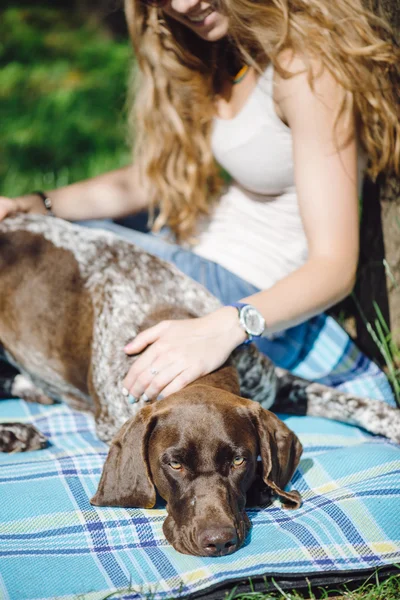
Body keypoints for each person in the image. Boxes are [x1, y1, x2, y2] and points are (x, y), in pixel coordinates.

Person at [1, 0, 399, 406]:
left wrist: (225, 326)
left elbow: (333, 268)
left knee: (33, 254)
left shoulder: (304, 68)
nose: (183, 4)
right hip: (195, 256)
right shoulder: (227, 51)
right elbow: (154, 179)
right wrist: (37, 204)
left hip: (244, 294)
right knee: (27, 242)